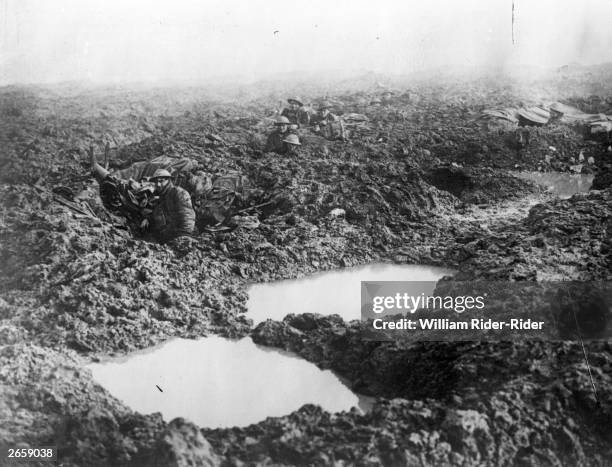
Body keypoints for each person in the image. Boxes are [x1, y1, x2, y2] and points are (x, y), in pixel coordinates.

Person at [148, 169, 196, 242]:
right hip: (168, 236)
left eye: (161, 181)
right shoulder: (161, 196)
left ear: (168, 180)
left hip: (181, 235)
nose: (158, 184)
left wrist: (185, 236)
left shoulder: (178, 193)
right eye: (156, 182)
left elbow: (187, 215)